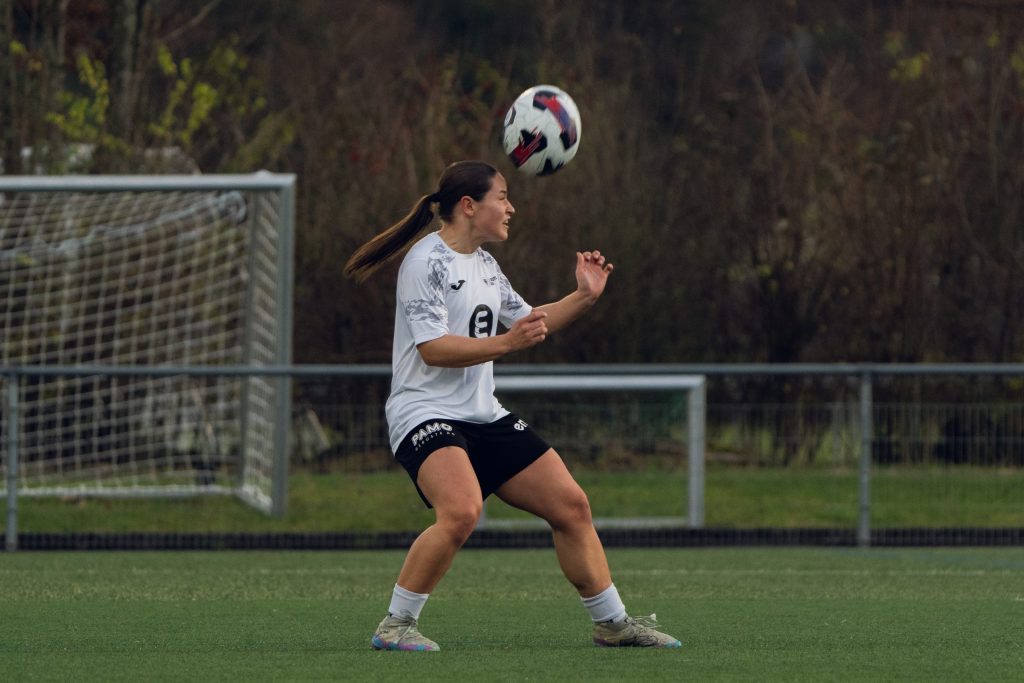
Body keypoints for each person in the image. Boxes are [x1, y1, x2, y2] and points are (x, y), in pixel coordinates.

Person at [344, 160, 681, 651]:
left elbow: (529, 323)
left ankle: (612, 624)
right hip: (424, 412)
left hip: (483, 413)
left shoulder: (485, 265)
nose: (511, 208)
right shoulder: (426, 262)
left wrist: (584, 297)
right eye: (502, 197)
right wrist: (507, 344)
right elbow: (433, 348)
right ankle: (395, 626)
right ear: (468, 205)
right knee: (461, 511)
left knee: (571, 506)